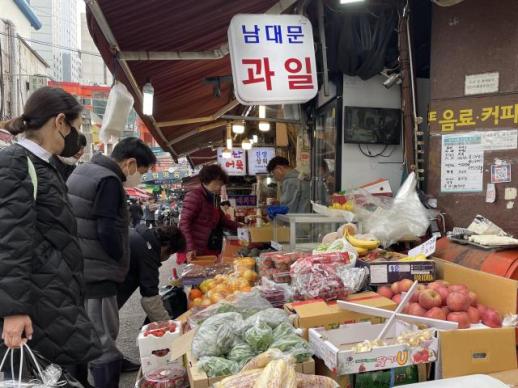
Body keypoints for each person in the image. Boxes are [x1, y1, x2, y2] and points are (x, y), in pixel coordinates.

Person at [0, 87, 101, 385]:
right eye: (74, 127)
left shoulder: (43, 165)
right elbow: (10, 241)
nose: (74, 138)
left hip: (55, 299)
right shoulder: (16, 164)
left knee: (64, 377)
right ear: (59, 122)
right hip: (39, 308)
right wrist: (14, 311)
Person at [67, 137, 157, 388]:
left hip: (76, 269)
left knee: (82, 335)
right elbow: (107, 228)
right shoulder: (109, 181)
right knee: (103, 339)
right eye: (141, 171)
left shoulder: (83, 170)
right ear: (129, 163)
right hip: (97, 273)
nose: (138, 176)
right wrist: (119, 257)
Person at [117, 224, 186, 321]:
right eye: (171, 254)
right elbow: (150, 300)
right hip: (101, 292)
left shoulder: (138, 235)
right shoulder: (148, 255)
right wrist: (168, 325)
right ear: (167, 247)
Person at [179, 165, 239, 262]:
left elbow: (222, 220)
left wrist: (241, 227)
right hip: (196, 250)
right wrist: (190, 248)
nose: (220, 187)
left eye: (221, 184)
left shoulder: (213, 197)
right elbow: (184, 223)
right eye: (218, 183)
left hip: (210, 246)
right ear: (206, 180)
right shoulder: (194, 196)